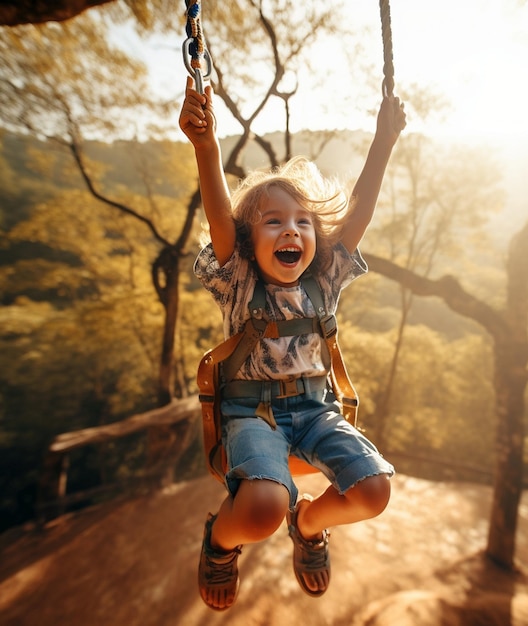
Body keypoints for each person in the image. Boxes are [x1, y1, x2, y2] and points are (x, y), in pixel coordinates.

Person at [179, 75, 406, 611]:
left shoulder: (323, 279)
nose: (292, 232)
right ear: (247, 241)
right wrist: (206, 146)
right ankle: (220, 540)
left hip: (315, 411)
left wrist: (384, 142)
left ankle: (308, 524)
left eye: (303, 223)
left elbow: (359, 214)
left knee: (374, 490)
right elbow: (218, 216)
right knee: (259, 509)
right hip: (251, 415)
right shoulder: (240, 279)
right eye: (274, 222)